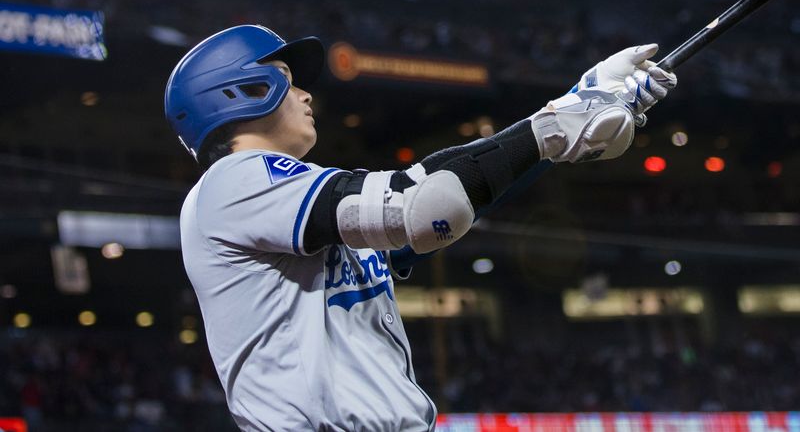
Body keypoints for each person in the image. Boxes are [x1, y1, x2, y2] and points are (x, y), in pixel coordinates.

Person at [164, 24, 676, 431]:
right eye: (286, 78)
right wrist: (551, 129)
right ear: (240, 91)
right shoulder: (232, 182)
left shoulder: (286, 199)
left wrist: (572, 109)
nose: (305, 95)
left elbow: (438, 207)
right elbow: (429, 205)